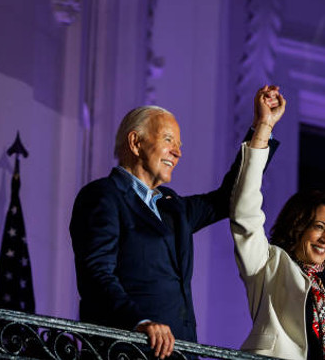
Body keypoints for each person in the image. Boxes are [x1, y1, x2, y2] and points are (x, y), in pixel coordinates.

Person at [70, 86, 284, 359]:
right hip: (126, 350)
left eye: (179, 146)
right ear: (136, 143)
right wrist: (140, 323)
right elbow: (97, 275)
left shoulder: (172, 205)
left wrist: (262, 128)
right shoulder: (103, 196)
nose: (177, 152)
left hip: (180, 352)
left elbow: (227, 198)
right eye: (169, 140)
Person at [229, 116, 325, 359]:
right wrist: (263, 128)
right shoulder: (268, 266)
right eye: (319, 226)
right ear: (298, 225)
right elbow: (245, 212)